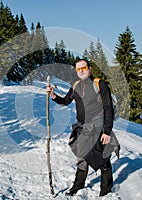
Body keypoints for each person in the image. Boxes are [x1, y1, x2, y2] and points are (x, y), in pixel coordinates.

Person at [46, 58, 117, 196]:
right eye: (78, 69)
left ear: (90, 69)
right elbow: (66, 101)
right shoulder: (76, 85)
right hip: (82, 128)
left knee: (103, 159)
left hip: (98, 128)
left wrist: (107, 131)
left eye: (83, 68)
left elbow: (108, 108)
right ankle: (78, 185)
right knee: (82, 158)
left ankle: (106, 189)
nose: (81, 71)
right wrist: (53, 95)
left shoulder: (99, 84)